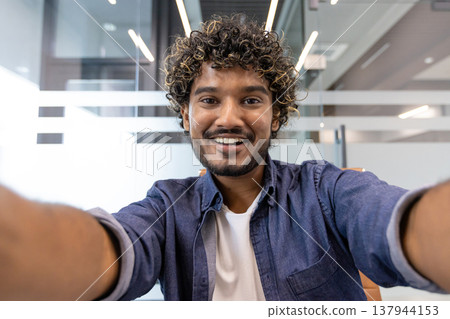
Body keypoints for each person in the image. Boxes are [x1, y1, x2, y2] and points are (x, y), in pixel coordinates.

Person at [0, 14, 449, 301]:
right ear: (186, 115)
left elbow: (394, 221)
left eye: (252, 100)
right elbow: (108, 252)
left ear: (276, 117)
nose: (229, 118)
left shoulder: (325, 191)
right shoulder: (166, 208)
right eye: (210, 100)